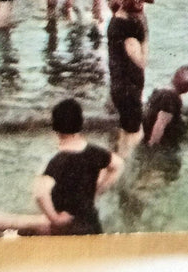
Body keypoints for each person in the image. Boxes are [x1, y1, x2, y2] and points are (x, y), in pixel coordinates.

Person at [32, 99, 124, 235]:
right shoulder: (95, 152)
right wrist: (99, 189)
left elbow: (40, 194)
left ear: (55, 127)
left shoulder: (56, 160)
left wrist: (55, 219)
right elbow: (118, 164)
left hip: (67, 226)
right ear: (81, 123)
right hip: (91, 223)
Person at [106, 0, 149, 158]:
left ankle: (118, 161)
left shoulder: (116, 21)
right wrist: (145, 37)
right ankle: (124, 169)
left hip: (120, 87)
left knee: (125, 133)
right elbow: (141, 61)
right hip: (128, 90)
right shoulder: (129, 26)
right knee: (135, 135)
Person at [143, 65, 188, 149]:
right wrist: (152, 147)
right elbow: (160, 124)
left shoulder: (161, 89)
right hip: (164, 140)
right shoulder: (170, 98)